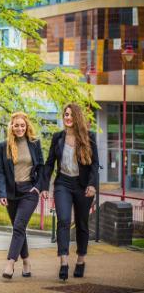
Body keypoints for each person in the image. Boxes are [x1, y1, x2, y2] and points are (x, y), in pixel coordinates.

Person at [41, 103, 99, 281]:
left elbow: (94, 165)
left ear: (77, 117)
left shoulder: (89, 138)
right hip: (63, 184)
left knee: (82, 224)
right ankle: (64, 262)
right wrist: (44, 185)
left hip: (82, 186)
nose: (68, 117)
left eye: (71, 115)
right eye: (65, 114)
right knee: (63, 220)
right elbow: (50, 163)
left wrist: (92, 185)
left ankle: (81, 260)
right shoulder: (58, 137)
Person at [0, 112, 45, 279]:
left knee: (18, 226)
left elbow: (42, 168)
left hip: (29, 192)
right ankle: (26, 261)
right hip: (11, 193)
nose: (19, 128)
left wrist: (38, 187)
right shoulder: (3, 146)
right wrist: (2, 193)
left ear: (27, 126)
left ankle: (10, 263)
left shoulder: (35, 143)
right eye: (16, 125)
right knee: (19, 228)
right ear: (11, 126)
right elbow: (0, 171)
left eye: (22, 125)